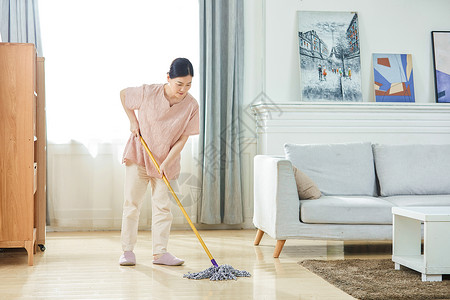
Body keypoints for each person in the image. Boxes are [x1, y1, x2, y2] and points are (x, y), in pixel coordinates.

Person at [119, 58, 199, 266]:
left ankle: (160, 253)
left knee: (163, 208)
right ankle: (127, 251)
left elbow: (182, 139)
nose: (183, 89)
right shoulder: (149, 92)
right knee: (132, 203)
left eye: (188, 84)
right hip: (140, 154)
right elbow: (124, 94)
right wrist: (133, 121)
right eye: (179, 83)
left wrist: (165, 163)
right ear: (168, 78)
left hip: (167, 161)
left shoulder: (191, 106)